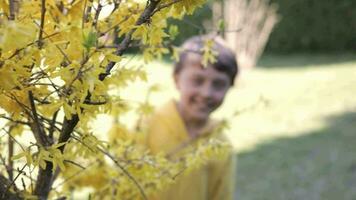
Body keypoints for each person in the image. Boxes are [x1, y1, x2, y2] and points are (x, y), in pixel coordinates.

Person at [145, 34, 238, 200]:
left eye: (218, 84)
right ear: (176, 79)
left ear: (229, 87)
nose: (206, 93)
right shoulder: (146, 126)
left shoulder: (222, 146)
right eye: (197, 80)